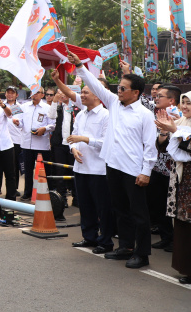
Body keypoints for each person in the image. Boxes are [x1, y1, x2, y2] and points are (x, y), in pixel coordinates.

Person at [68, 50, 156, 269]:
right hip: (113, 166)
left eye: (123, 88)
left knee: (139, 214)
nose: (119, 91)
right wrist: (80, 65)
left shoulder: (144, 114)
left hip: (134, 170)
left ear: (135, 92)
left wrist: (146, 171)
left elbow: (150, 146)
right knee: (120, 210)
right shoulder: (114, 104)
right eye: (118, 87)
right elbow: (96, 85)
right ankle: (125, 247)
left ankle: (142, 254)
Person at [65, 83, 115, 253]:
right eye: (82, 92)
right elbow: (72, 137)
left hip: (99, 169)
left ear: (97, 95)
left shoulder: (106, 115)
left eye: (86, 92)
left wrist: (85, 139)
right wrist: (73, 149)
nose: (82, 95)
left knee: (103, 207)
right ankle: (89, 237)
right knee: (85, 206)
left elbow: (106, 143)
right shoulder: (80, 115)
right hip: (80, 168)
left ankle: (106, 240)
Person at [155, 92, 191, 284]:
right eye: (183, 102)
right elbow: (164, 148)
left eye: (189, 103)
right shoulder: (182, 121)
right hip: (181, 181)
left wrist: (174, 129)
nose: (185, 107)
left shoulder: (180, 124)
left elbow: (187, 145)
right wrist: (164, 131)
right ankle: (186, 269)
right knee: (183, 225)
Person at [149, 84, 181, 253]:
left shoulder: (179, 116)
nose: (155, 98)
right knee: (159, 204)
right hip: (157, 168)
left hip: (174, 171)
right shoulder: (156, 114)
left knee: (173, 208)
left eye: (160, 96)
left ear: (171, 100)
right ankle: (166, 237)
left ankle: (175, 240)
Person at [19, 86, 55, 201]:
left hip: (41, 145)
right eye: (32, 92)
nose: (34, 94)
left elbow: (52, 125)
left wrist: (44, 129)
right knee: (28, 170)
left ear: (42, 95)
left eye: (37, 92)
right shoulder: (24, 107)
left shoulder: (47, 108)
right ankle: (27, 192)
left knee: (43, 170)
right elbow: (20, 122)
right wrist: (17, 122)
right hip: (26, 143)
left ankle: (46, 192)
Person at [47, 89, 79, 204]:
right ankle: (62, 198)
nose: (62, 95)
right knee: (60, 171)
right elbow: (51, 116)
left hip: (73, 144)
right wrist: (55, 101)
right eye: (59, 93)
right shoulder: (58, 107)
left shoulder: (76, 107)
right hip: (59, 144)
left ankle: (76, 198)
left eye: (64, 93)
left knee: (74, 171)